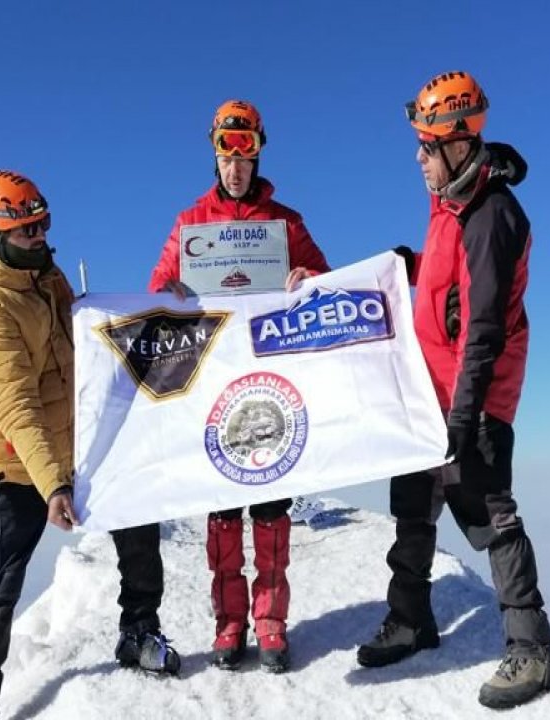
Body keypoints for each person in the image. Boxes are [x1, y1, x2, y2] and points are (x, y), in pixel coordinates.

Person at [354, 72, 550, 710]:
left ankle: (533, 651)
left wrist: (464, 420)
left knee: (489, 513)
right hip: (431, 389)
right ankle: (413, 620)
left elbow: (483, 330)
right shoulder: (448, 204)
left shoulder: (492, 217)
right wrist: (406, 268)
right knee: (413, 505)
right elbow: (445, 289)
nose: (417, 158)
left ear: (459, 142)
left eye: (425, 146)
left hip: (474, 397)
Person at [0, 170, 177, 720]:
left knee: (138, 520)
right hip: (13, 466)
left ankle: (138, 631)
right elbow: (14, 407)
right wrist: (52, 482)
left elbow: (84, 343)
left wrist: (160, 310)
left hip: (71, 446)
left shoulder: (44, 278)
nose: (39, 236)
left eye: (43, 224)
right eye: (27, 228)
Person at [148, 100, 331, 673]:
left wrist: (306, 278)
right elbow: (155, 289)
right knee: (223, 509)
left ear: (257, 152)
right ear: (214, 153)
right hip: (214, 386)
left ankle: (271, 623)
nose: (236, 165)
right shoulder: (190, 223)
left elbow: (325, 280)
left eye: (245, 151)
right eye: (227, 153)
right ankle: (229, 624)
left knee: (272, 503)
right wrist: (171, 291)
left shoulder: (286, 224)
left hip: (272, 382)